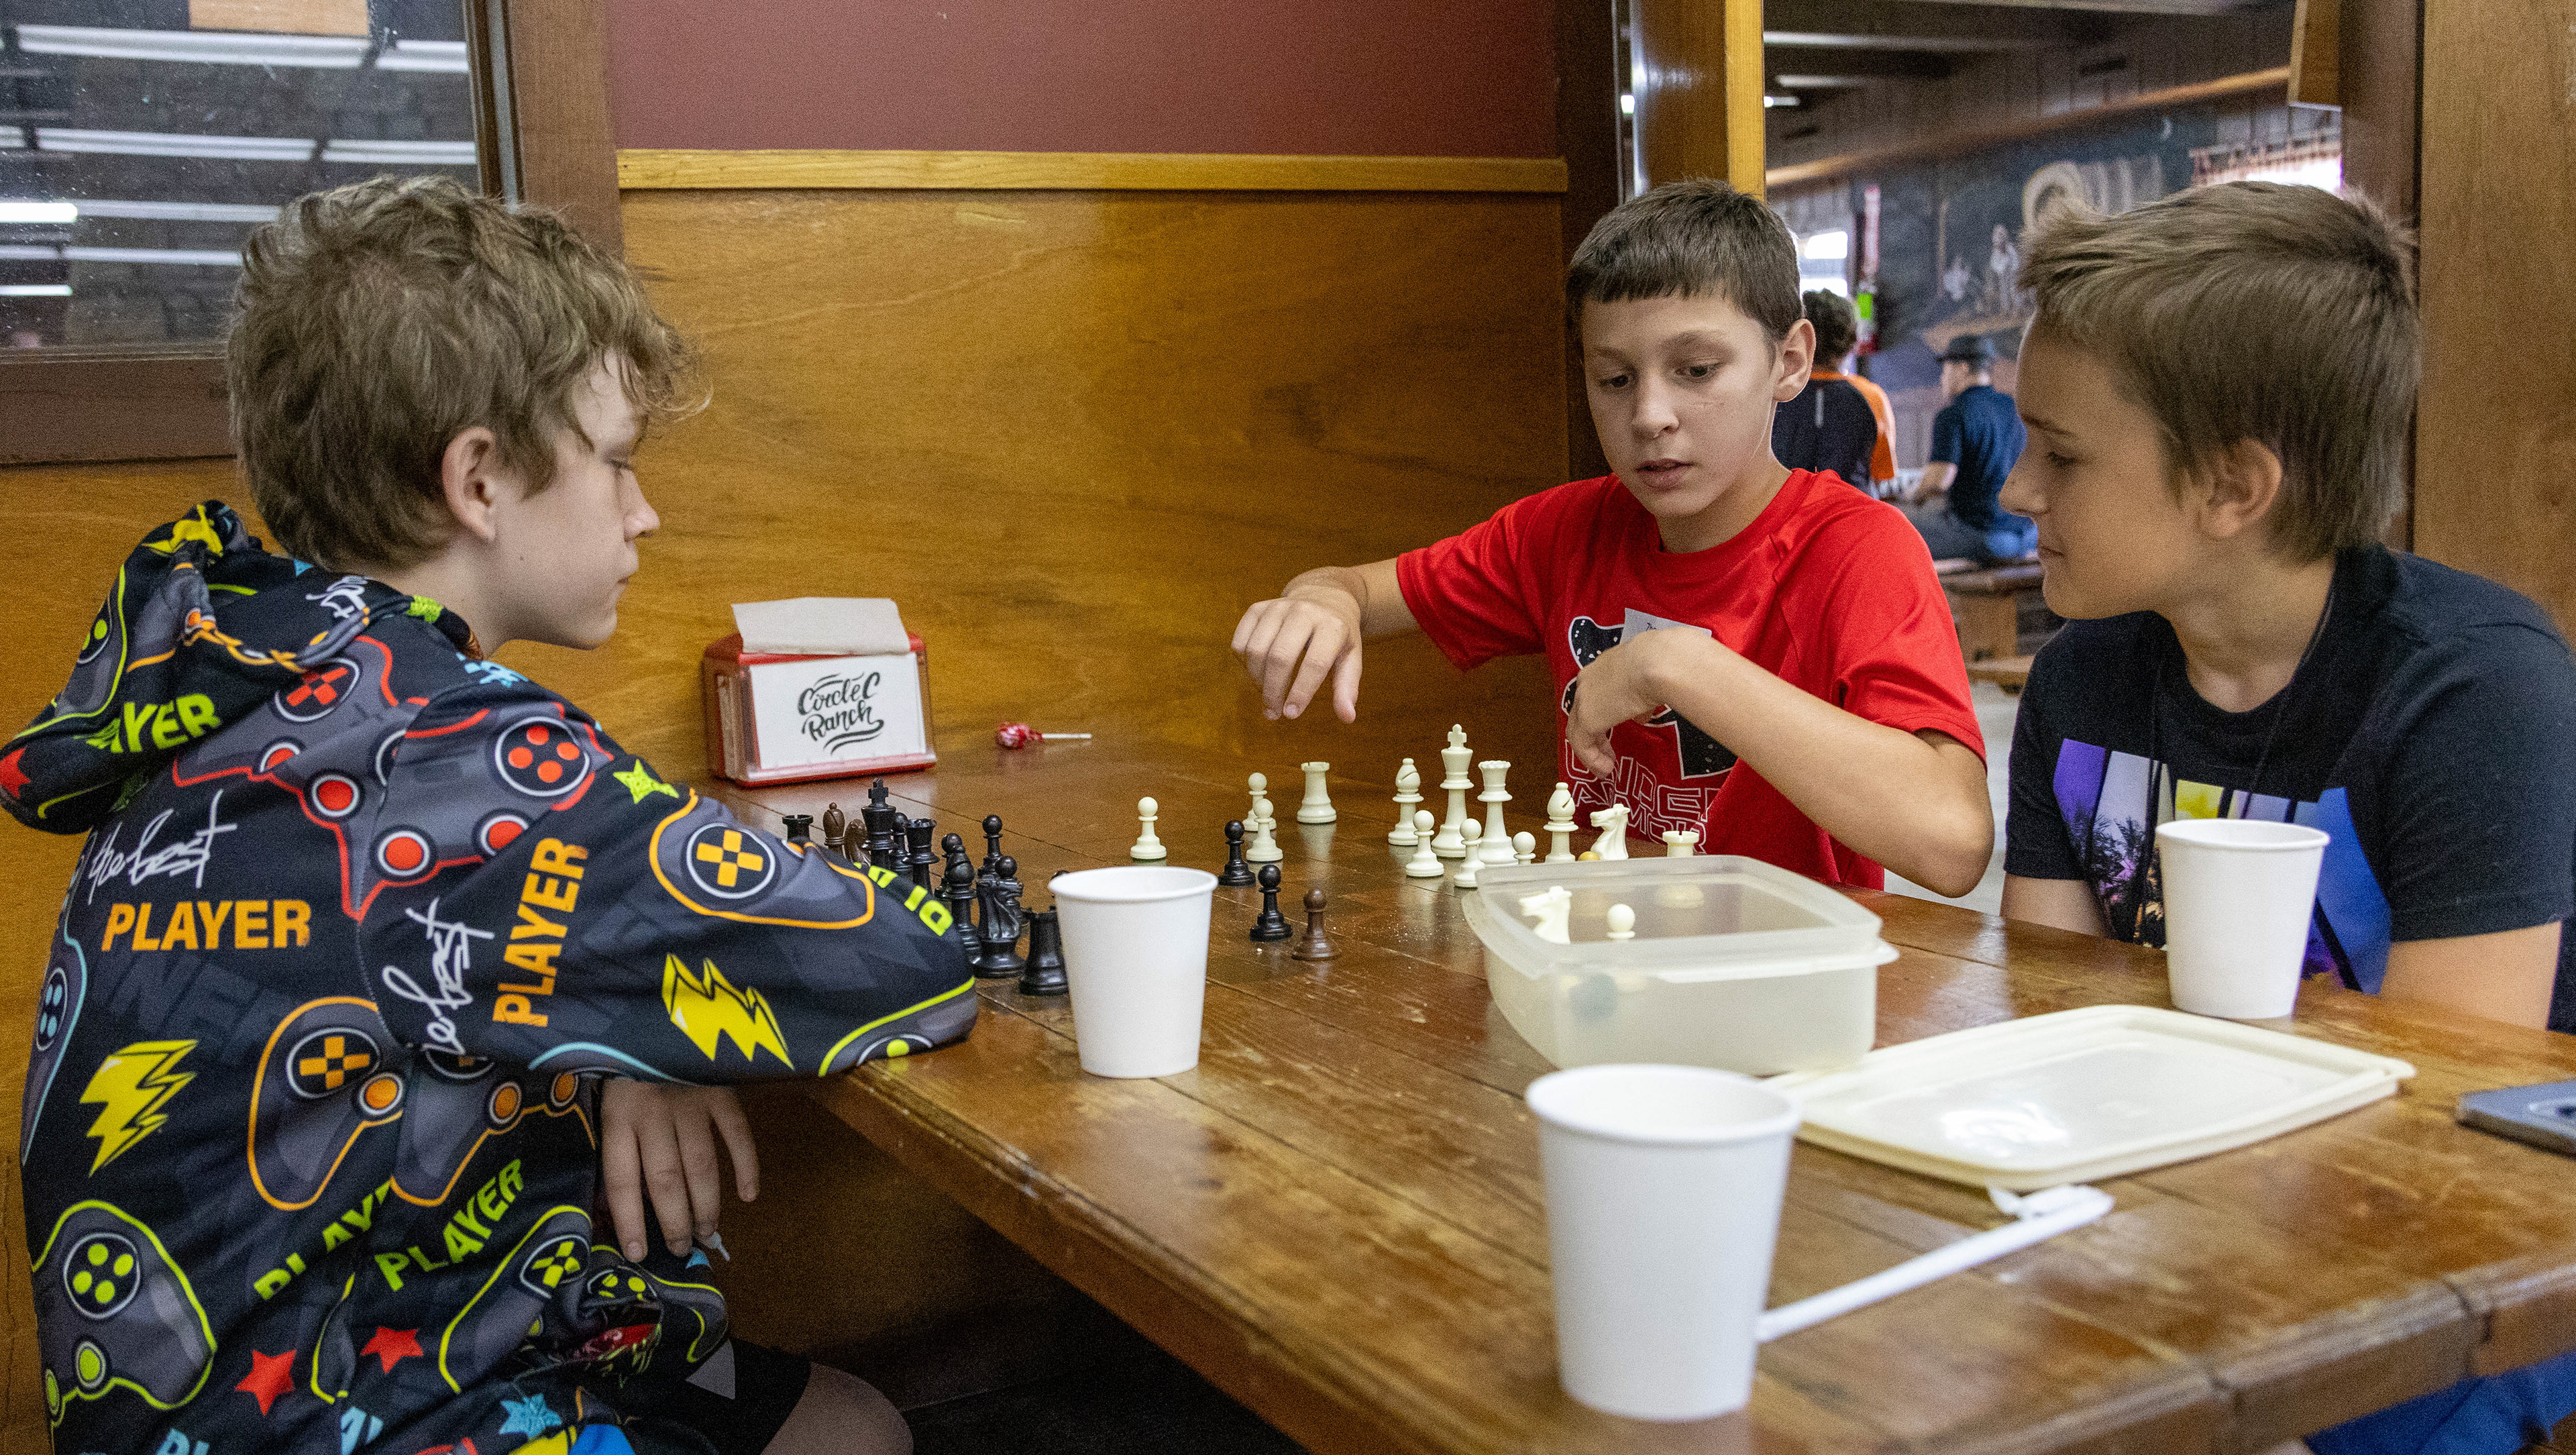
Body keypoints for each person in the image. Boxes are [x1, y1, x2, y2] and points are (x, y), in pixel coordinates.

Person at [0, 176, 975, 1455]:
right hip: (359, 1413)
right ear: (478, 477)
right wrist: (655, 1014)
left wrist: (623, 1032)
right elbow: (907, 961)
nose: (643, 509)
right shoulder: (466, 756)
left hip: (237, 1393)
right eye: (615, 460)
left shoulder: (243, 677)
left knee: (849, 1425)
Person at [1994, 180, 2576, 1455]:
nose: (2020, 487)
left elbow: (2446, 1116)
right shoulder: (2081, 678)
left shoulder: (2476, 687)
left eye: (2063, 452)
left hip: (2474, 1259)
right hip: (2173, 1215)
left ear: (2234, 485)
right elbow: (2048, 1025)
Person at [1230, 179, 1991, 896]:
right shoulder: (1562, 532)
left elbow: (1954, 843)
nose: (1650, 415)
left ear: (1789, 361)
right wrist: (1322, 597)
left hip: (1782, 969)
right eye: (1615, 379)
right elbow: (1356, 590)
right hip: (1603, 953)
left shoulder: (1859, 550)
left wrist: (1675, 664)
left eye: (1697, 369)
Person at [1904, 333, 2035, 563]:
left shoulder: (1953, 414)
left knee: (1897, 530)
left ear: (1962, 368)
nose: (1942, 378)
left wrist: (1912, 495)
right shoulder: (2014, 407)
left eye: (1945, 370)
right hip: (2026, 536)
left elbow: (1939, 481)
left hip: (1983, 537)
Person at [1771, 288, 1897, 496]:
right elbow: (1881, 474)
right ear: (1852, 341)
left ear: (1796, 339)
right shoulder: (1871, 397)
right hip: (1851, 512)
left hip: (1785, 512)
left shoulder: (1776, 392)